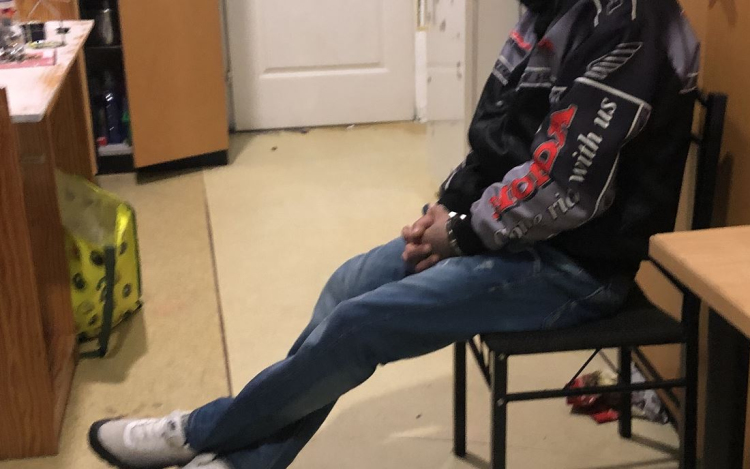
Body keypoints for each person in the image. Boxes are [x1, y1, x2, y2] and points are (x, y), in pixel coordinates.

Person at [88, 0, 700, 467]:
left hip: (577, 268)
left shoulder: (629, 24)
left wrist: (463, 234)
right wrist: (447, 209)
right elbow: (499, 136)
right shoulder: (550, 10)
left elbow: (569, 188)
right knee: (347, 285)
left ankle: (199, 432)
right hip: (514, 235)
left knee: (360, 325)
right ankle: (246, 459)